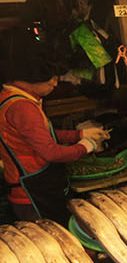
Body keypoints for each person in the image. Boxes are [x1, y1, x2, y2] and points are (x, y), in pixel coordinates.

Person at [0, 54, 108, 221]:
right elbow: (51, 153)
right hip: (31, 192)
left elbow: (40, 134)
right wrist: (86, 146)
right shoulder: (22, 107)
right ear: (34, 80)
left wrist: (81, 134)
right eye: (52, 80)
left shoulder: (10, 96)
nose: (55, 84)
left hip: (31, 185)